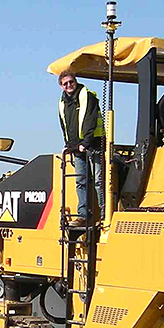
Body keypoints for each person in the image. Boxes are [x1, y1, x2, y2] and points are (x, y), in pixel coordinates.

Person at [57, 72, 105, 226]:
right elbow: (64, 125)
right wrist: (69, 145)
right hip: (77, 149)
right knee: (80, 182)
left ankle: (104, 214)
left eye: (71, 82)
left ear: (75, 82)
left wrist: (86, 142)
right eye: (65, 84)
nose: (69, 85)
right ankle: (83, 216)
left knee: (99, 180)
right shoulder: (62, 103)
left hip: (94, 145)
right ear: (61, 86)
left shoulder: (87, 96)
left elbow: (90, 121)